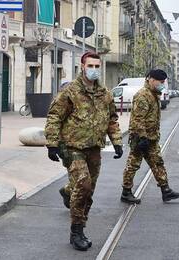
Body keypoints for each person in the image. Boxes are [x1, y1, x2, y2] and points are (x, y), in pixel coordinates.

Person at [45, 52, 123, 251]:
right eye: (91, 65)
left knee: (88, 190)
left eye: (97, 66)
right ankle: (76, 231)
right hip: (72, 147)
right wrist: (52, 144)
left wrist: (117, 142)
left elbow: (112, 119)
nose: (94, 69)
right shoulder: (70, 91)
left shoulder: (104, 93)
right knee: (83, 185)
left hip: (95, 148)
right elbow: (54, 117)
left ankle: (68, 193)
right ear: (82, 66)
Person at [120, 69, 179, 204]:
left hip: (152, 138)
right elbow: (138, 119)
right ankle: (126, 192)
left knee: (158, 163)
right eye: (160, 82)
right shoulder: (143, 95)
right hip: (141, 138)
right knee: (133, 165)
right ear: (151, 80)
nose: (162, 84)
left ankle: (166, 190)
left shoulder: (153, 94)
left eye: (163, 82)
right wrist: (142, 138)